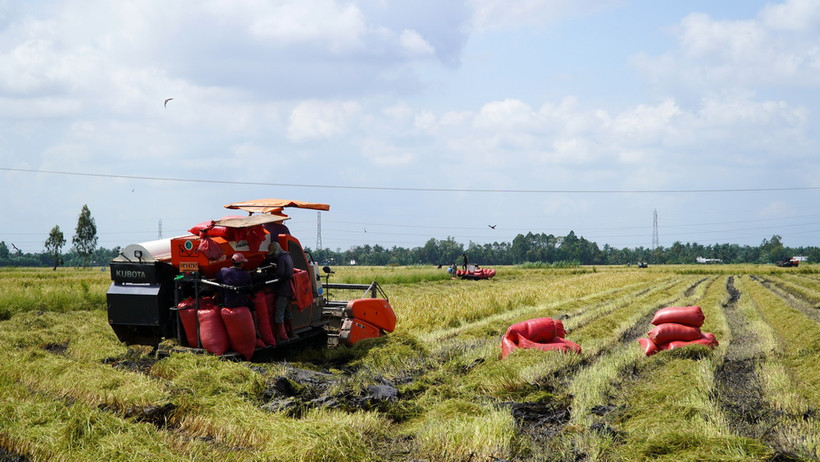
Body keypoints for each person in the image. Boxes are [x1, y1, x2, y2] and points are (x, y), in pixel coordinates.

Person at [268, 242, 296, 340]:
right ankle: (292, 333)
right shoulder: (288, 256)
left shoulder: (280, 259)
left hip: (282, 290)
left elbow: (280, 274)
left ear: (276, 250)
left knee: (279, 313)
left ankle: (277, 337)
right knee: (288, 312)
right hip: (289, 289)